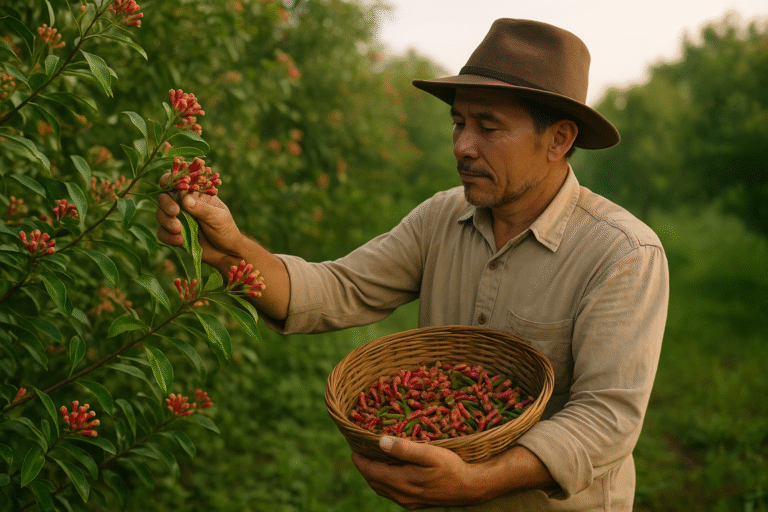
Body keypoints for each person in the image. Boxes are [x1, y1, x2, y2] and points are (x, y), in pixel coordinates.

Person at [156, 18, 669, 511]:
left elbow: (607, 416)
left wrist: (477, 482)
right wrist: (227, 250)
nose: (463, 146)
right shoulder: (442, 217)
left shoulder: (622, 253)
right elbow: (336, 289)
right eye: (459, 122)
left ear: (559, 139)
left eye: (488, 126)